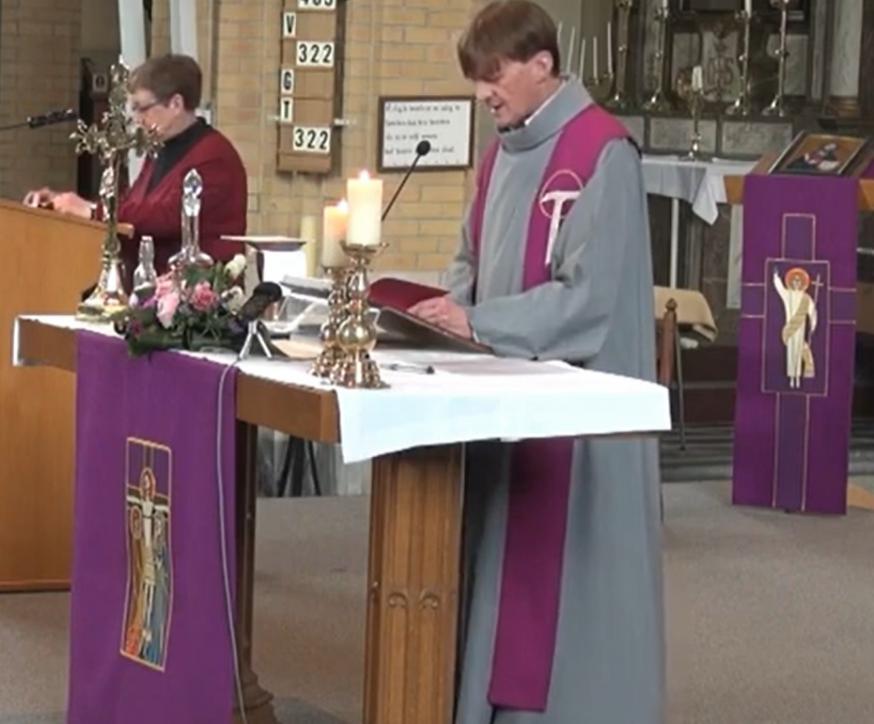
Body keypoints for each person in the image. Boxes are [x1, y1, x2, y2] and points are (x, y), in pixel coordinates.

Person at [407, 2, 664, 722]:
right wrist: (443, 315)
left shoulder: (601, 152)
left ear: (542, 66)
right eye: (477, 80)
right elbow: (468, 260)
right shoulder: (501, 153)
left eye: (495, 77)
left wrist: (480, 321)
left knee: (561, 573)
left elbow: (591, 300)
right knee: (498, 551)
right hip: (502, 393)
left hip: (572, 410)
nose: (484, 94)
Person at [24, 54, 247, 285]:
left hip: (199, 295)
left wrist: (91, 211)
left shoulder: (214, 157)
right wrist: (60, 206)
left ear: (176, 104)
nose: (138, 119)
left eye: (143, 108)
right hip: (153, 290)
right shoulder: (159, 148)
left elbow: (165, 216)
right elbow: (134, 207)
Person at [773, 266, 818, 388]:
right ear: (791, 282)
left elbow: (812, 311)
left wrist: (813, 324)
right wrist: (776, 277)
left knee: (798, 352)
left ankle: (797, 377)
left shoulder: (806, 297)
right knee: (791, 353)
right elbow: (780, 289)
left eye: (799, 281)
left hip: (800, 329)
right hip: (790, 328)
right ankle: (791, 378)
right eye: (794, 281)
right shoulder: (788, 295)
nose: (796, 283)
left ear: (802, 283)